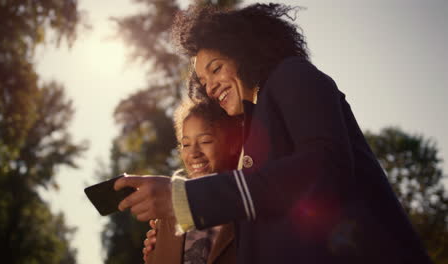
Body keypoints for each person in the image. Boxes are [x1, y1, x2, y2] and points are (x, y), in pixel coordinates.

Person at [115, 3, 433, 263]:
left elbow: (325, 168)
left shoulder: (291, 75)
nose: (209, 86)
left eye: (216, 68)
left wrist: (185, 199)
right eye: (203, 80)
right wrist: (178, 242)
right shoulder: (251, 140)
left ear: (245, 51)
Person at [144, 99, 241, 264]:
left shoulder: (247, 204)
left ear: (233, 143)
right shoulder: (167, 219)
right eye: (186, 144)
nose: (193, 153)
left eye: (205, 141)